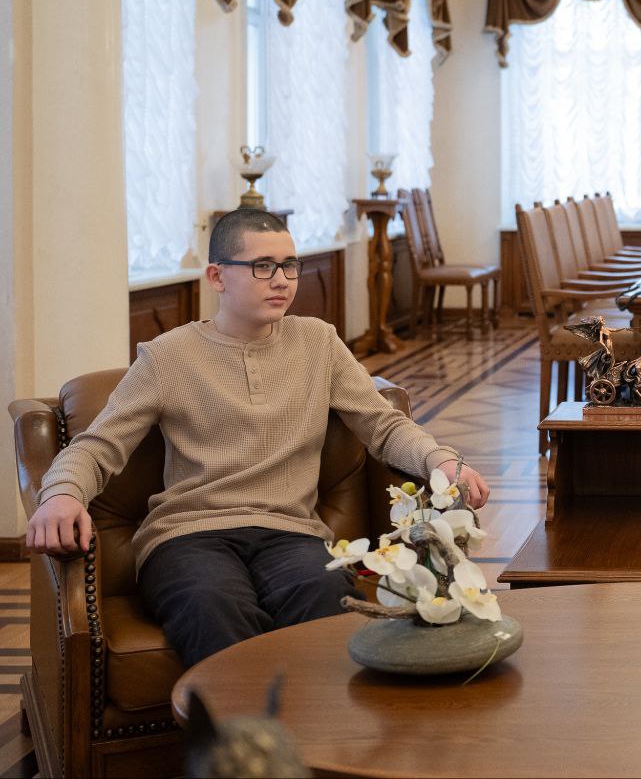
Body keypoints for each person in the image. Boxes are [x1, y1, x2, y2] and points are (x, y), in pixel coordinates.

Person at [24, 210, 490, 665]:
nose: (282, 280)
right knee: (212, 604)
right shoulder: (167, 356)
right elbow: (98, 446)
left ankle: (312, 722)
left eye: (290, 265)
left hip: (291, 532)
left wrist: (440, 460)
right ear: (217, 276)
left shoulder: (318, 343)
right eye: (263, 266)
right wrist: (61, 494)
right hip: (189, 535)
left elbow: (384, 425)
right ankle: (237, 722)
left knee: (325, 596)